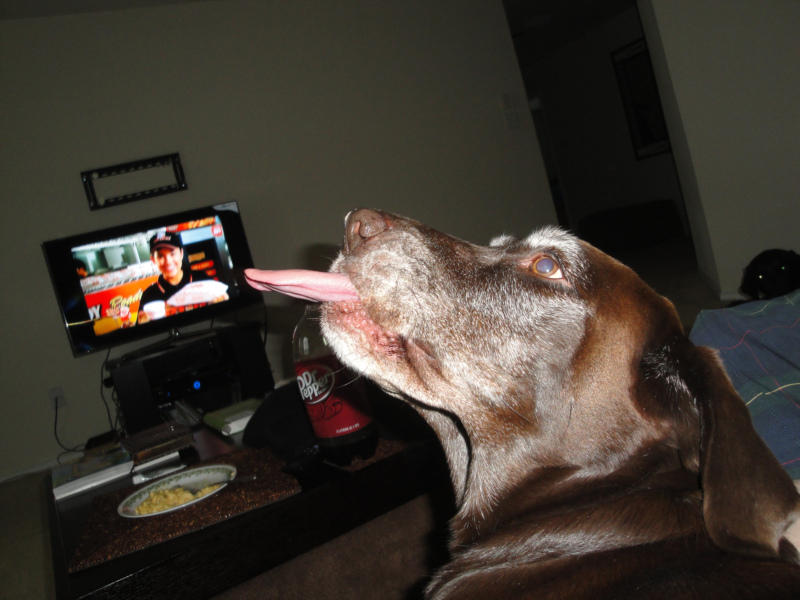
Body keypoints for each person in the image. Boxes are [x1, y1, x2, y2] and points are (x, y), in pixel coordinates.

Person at [136, 231, 227, 324]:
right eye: (160, 256)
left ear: (181, 254)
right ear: (153, 260)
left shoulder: (201, 278)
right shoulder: (149, 295)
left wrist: (223, 302)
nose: (168, 261)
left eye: (172, 254)